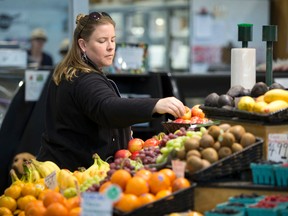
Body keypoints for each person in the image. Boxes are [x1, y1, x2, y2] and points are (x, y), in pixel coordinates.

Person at [36, 12, 186, 171]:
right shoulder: (84, 79)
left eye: (113, 40)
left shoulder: (69, 72)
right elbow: (106, 107)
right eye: (102, 41)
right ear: (83, 45)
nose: (110, 47)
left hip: (61, 167)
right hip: (74, 174)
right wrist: (155, 105)